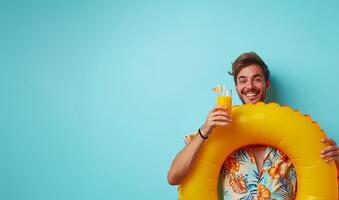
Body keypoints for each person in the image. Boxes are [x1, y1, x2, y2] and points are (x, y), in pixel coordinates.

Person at [167, 52, 339, 199]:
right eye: (243, 80)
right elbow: (174, 177)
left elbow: (323, 182)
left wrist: (336, 160)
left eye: (257, 79)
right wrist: (204, 131)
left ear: (267, 84)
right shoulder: (219, 130)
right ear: (236, 87)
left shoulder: (298, 130)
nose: (249, 86)